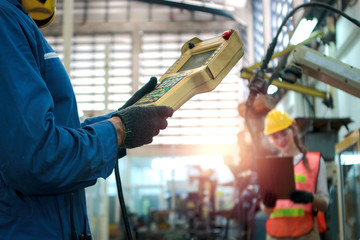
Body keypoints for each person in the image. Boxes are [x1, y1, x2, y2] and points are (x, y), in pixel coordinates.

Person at [0, 0, 174, 239]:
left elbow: (49, 136)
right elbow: (37, 158)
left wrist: (116, 121)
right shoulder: (4, 20)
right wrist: (119, 130)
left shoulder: (15, 22)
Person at [260, 110, 329, 240]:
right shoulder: (270, 166)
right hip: (276, 235)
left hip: (306, 235)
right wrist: (267, 204)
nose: (280, 140)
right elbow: (266, 210)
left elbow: (325, 204)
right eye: (275, 137)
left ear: (294, 131)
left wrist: (311, 198)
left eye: (283, 133)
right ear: (270, 140)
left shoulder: (315, 162)